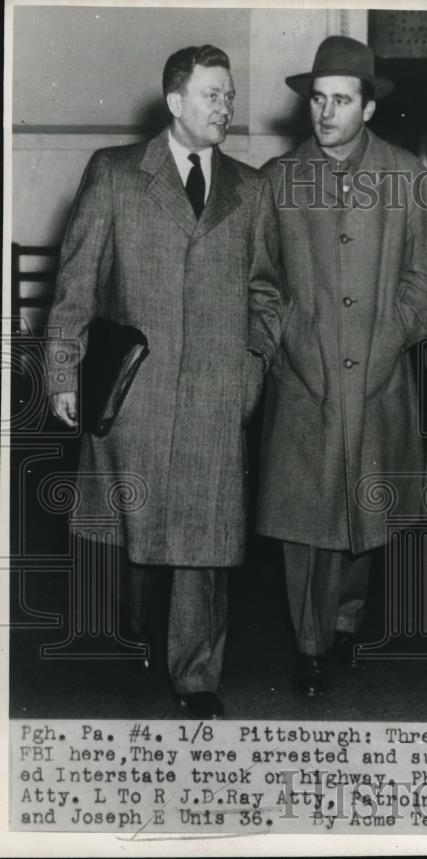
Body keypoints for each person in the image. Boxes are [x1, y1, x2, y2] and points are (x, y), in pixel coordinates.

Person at [46, 45, 284, 719]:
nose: (226, 107)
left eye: (230, 96)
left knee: (204, 542)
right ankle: (130, 633)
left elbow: (269, 292)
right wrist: (64, 370)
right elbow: (76, 285)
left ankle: (196, 673)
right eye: (212, 94)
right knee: (134, 533)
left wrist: (250, 367)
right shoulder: (117, 174)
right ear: (175, 101)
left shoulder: (251, 188)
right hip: (134, 392)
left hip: (217, 390)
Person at [256, 36, 427, 697]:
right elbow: (261, 280)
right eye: (318, 99)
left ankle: (345, 620)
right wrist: (293, 343)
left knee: (365, 511)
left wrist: (390, 337)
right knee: (306, 517)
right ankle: (309, 645)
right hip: (301, 375)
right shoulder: (277, 179)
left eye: (341, 100)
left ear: (368, 107)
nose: (326, 112)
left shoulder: (408, 175)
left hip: (381, 375)